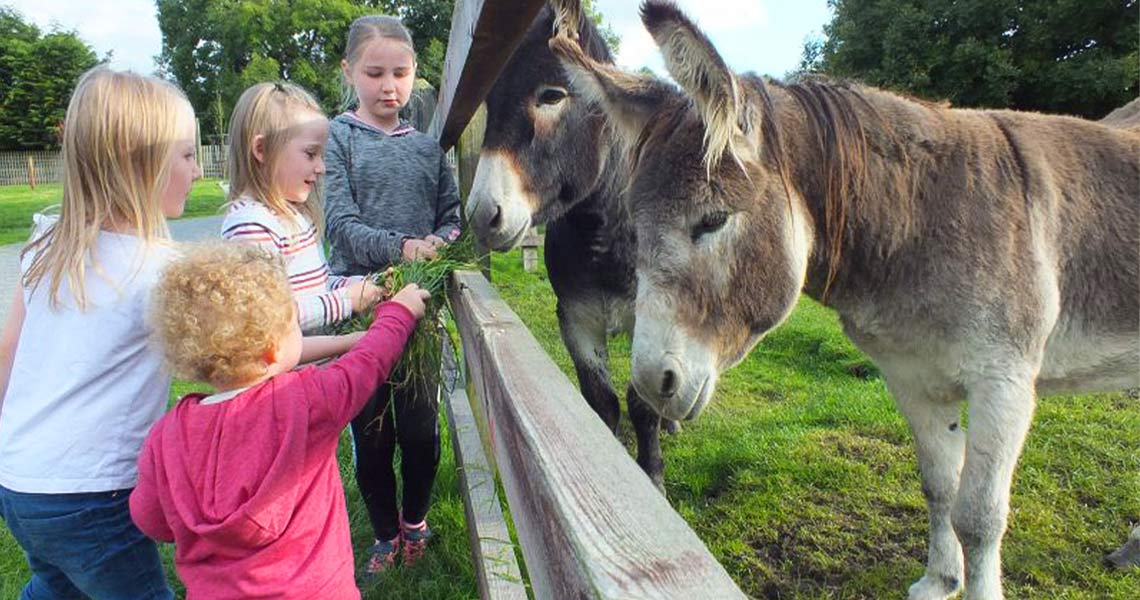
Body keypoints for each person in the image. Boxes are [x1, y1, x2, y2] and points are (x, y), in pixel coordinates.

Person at [128, 243, 430, 599]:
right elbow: (368, 364)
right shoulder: (304, 402)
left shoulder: (167, 435)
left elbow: (151, 520)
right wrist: (399, 312)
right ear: (273, 349)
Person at [0, 67, 199, 599]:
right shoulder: (158, 270)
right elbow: (237, 353)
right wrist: (353, 338)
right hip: (92, 496)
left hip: (19, 481)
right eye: (186, 155)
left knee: (58, 583)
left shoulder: (46, 243)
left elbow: (9, 350)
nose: (198, 171)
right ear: (142, 165)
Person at [324, 14, 461, 574]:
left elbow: (452, 218)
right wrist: (401, 248)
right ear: (349, 72)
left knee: (421, 430)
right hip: (360, 309)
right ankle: (383, 533)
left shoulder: (429, 149)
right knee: (373, 433)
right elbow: (339, 222)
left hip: (419, 315)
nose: (389, 86)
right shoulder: (340, 137)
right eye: (375, 73)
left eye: (400, 73)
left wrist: (439, 240)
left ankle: (415, 520)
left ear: (414, 75)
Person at [221, 82, 383, 335]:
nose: (321, 168)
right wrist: (346, 301)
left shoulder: (296, 216)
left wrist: (356, 285)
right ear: (261, 150)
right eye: (311, 154)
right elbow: (267, 322)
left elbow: (318, 286)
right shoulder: (251, 224)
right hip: (291, 374)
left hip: (316, 369)